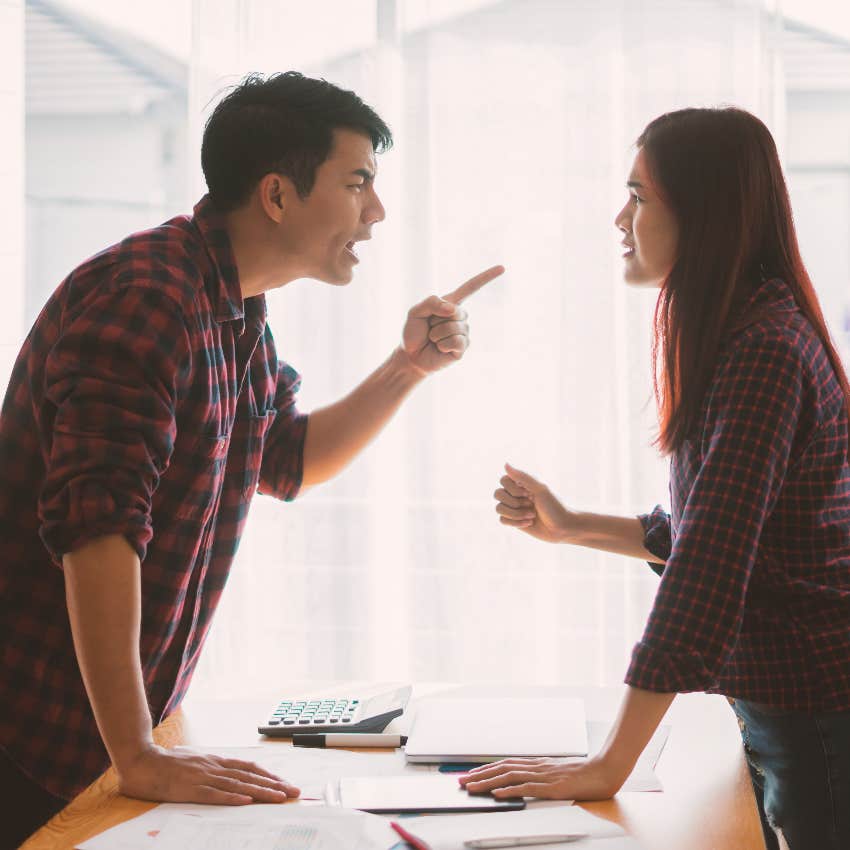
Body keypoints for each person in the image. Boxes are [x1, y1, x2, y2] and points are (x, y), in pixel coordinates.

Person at [0, 71, 503, 848]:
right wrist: (134, 752)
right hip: (34, 742)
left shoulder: (231, 307)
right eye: (358, 182)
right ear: (276, 194)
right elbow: (95, 525)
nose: (376, 212)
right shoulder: (148, 296)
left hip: (106, 741)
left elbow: (289, 459)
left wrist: (408, 367)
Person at [461, 107, 850, 850]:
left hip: (814, 718)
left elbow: (707, 569)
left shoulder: (763, 352)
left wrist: (606, 766)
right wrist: (570, 524)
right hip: (781, 705)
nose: (619, 218)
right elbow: (712, 527)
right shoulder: (744, 329)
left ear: (704, 214)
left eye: (638, 197)